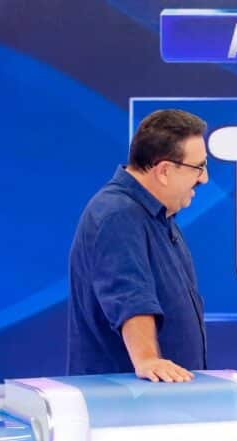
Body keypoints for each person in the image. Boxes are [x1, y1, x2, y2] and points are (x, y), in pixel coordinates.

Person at [67, 109, 211, 382]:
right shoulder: (117, 215)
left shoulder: (157, 218)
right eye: (199, 167)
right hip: (129, 408)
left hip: (163, 399)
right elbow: (129, 297)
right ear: (165, 171)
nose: (204, 178)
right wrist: (148, 359)